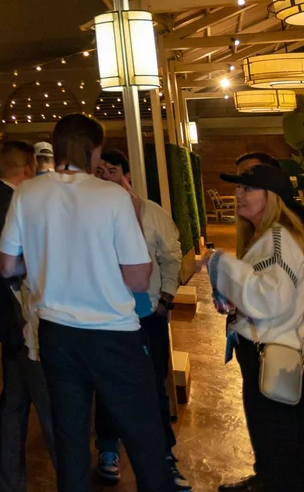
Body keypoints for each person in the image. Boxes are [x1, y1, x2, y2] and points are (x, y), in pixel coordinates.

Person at [0, 113, 175, 492]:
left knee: (71, 439)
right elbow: (138, 278)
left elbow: (7, 265)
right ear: (94, 150)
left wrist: (45, 261)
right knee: (144, 435)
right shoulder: (113, 197)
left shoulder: (27, 193)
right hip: (112, 333)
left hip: (56, 334)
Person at [197, 163, 304, 492]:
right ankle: (268, 479)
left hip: (270, 354)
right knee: (274, 434)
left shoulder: (277, 240)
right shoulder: (272, 237)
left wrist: (220, 263)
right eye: (238, 188)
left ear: (272, 197)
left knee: (276, 435)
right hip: (268, 351)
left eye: (247, 189)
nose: (238, 195)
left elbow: (272, 298)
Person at [90, 149, 188, 490]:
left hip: (147, 314)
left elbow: (171, 256)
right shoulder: (86, 214)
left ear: (126, 175)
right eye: (99, 171)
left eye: (112, 171)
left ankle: (163, 455)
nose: (106, 177)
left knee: (152, 385)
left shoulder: (151, 212)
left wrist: (166, 299)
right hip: (105, 317)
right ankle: (108, 448)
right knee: (106, 385)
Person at [0, 139, 56, 492]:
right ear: (28, 167)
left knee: (14, 402)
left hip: (9, 319)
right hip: (23, 318)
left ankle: (10, 481)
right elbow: (8, 265)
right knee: (48, 403)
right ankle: (70, 477)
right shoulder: (12, 203)